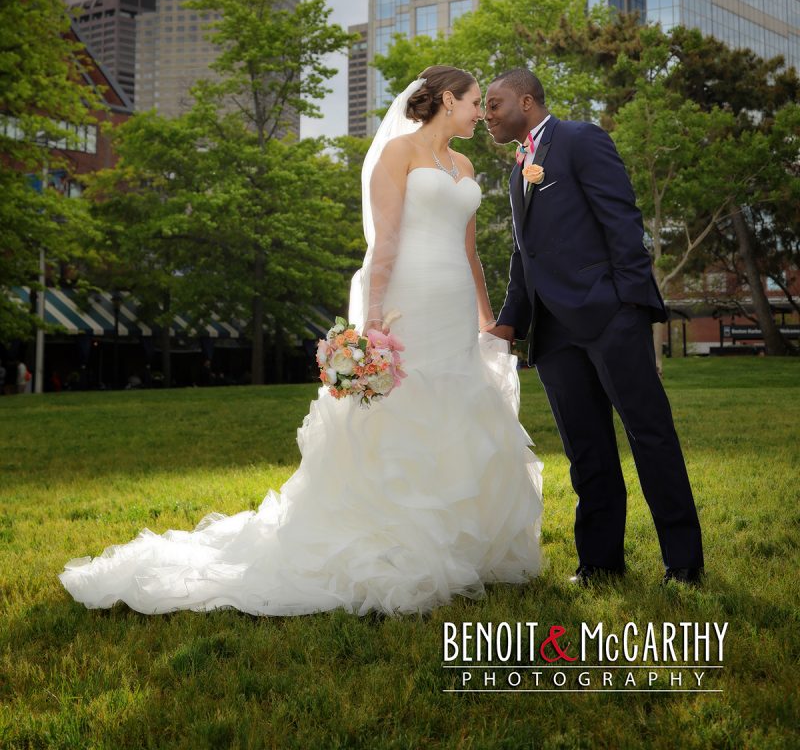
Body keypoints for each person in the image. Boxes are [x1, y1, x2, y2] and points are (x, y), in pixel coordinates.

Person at [60, 67, 542, 616]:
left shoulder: (464, 165)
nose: (481, 112)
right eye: (476, 102)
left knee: (458, 410)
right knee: (401, 411)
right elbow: (382, 245)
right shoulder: (397, 155)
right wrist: (375, 319)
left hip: (453, 303)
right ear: (448, 100)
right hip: (410, 297)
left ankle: (461, 542)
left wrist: (488, 319)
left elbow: (471, 252)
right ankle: (394, 541)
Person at [484, 67, 703, 586]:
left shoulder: (581, 139)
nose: (486, 115)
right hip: (554, 335)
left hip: (609, 319)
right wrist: (509, 323)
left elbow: (622, 223)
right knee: (587, 450)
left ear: (528, 101)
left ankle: (684, 562)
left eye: (494, 104)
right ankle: (600, 564)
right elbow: (525, 255)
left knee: (650, 436)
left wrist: (627, 305)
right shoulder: (518, 171)